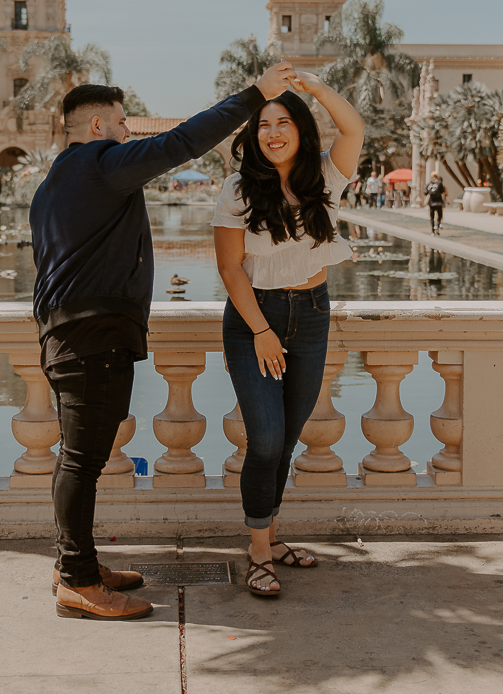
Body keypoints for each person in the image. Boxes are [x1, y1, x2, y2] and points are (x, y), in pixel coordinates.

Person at [31, 61, 295, 621]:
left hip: (69, 332)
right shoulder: (99, 163)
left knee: (83, 455)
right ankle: (77, 579)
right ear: (99, 125)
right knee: (81, 459)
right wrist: (255, 96)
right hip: (92, 334)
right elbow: (180, 143)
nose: (129, 133)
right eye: (124, 123)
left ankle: (74, 562)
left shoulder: (55, 180)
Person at [212, 72, 363, 599]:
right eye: (263, 125)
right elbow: (231, 270)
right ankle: (258, 551)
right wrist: (261, 330)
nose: (272, 132)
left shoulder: (326, 177)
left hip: (313, 314)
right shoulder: (237, 188)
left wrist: (316, 87)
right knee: (267, 437)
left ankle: (271, 540)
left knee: (288, 438)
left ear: (300, 128)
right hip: (257, 316)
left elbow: (354, 128)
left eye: (283, 122)